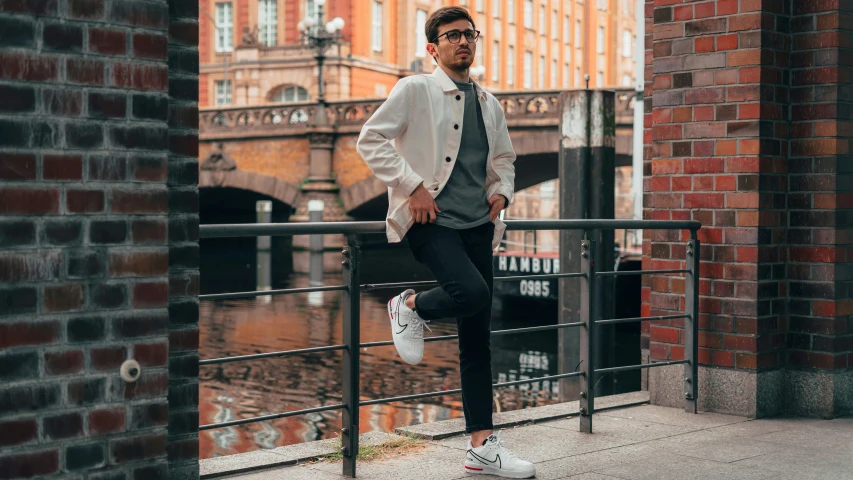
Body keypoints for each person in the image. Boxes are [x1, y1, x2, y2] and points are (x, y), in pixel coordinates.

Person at [356, 6, 535, 478]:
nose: (463, 42)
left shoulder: (489, 103)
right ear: (433, 48)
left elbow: (505, 158)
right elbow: (370, 139)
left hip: (479, 226)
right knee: (471, 294)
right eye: (452, 35)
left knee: (478, 341)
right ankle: (410, 305)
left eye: (469, 34)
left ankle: (482, 446)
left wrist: (502, 189)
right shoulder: (415, 89)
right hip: (430, 220)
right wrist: (412, 185)